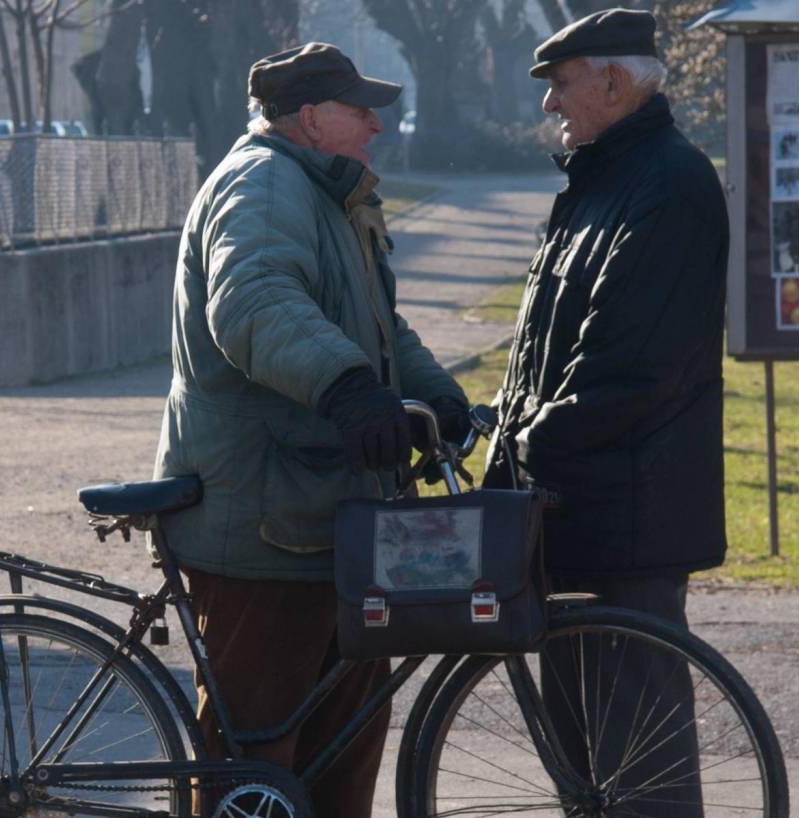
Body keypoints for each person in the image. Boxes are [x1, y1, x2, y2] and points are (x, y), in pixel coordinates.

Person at [152, 42, 468, 818]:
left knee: (339, 757)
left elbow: (376, 325)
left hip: (326, 521)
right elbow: (253, 303)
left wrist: (434, 393)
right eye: (361, 110)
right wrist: (349, 389)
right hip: (265, 526)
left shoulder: (325, 193)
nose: (377, 125)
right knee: (253, 769)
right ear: (311, 118)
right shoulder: (263, 186)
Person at [484, 9, 729, 816]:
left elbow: (630, 368)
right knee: (586, 778)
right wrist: (499, 426)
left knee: (639, 778)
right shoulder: (601, 181)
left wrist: (525, 440)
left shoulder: (669, 185)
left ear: (615, 84)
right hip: (575, 517)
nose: (549, 103)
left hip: (627, 526)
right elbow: (546, 351)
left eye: (562, 83)